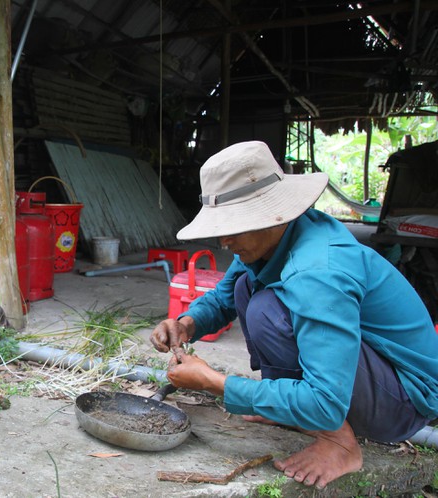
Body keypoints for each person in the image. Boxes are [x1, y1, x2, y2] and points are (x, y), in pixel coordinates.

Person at [151, 141, 438, 489]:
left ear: (273, 214)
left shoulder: (318, 272)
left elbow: (326, 402)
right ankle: (297, 413)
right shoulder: (271, 240)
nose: (224, 241)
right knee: (247, 290)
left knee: (267, 311)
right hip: (367, 381)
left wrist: (215, 383)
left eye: (234, 227)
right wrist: (185, 324)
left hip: (403, 401)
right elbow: (224, 300)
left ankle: (339, 443)